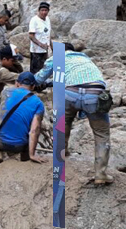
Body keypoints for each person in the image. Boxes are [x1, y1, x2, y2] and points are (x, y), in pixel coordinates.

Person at [36, 43, 113, 185]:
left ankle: (61, 155)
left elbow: (38, 79)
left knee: (63, 123)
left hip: (69, 94)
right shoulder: (85, 58)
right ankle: (100, 174)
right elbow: (79, 79)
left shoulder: (57, 58)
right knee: (102, 134)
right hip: (95, 94)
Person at [0, 72, 46, 164]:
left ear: (17, 83)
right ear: (33, 86)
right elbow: (34, 131)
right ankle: (25, 160)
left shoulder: (5, 92)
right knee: (28, 127)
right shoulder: (38, 103)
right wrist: (32, 155)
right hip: (18, 146)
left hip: (0, 142)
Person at [28, 2, 52, 74]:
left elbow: (48, 34)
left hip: (45, 50)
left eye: (46, 10)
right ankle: (34, 84)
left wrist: (52, 46)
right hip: (36, 51)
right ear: (39, 11)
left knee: (44, 69)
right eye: (42, 10)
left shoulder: (47, 19)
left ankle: (43, 84)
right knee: (36, 71)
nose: (44, 12)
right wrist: (41, 44)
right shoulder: (34, 20)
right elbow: (31, 36)